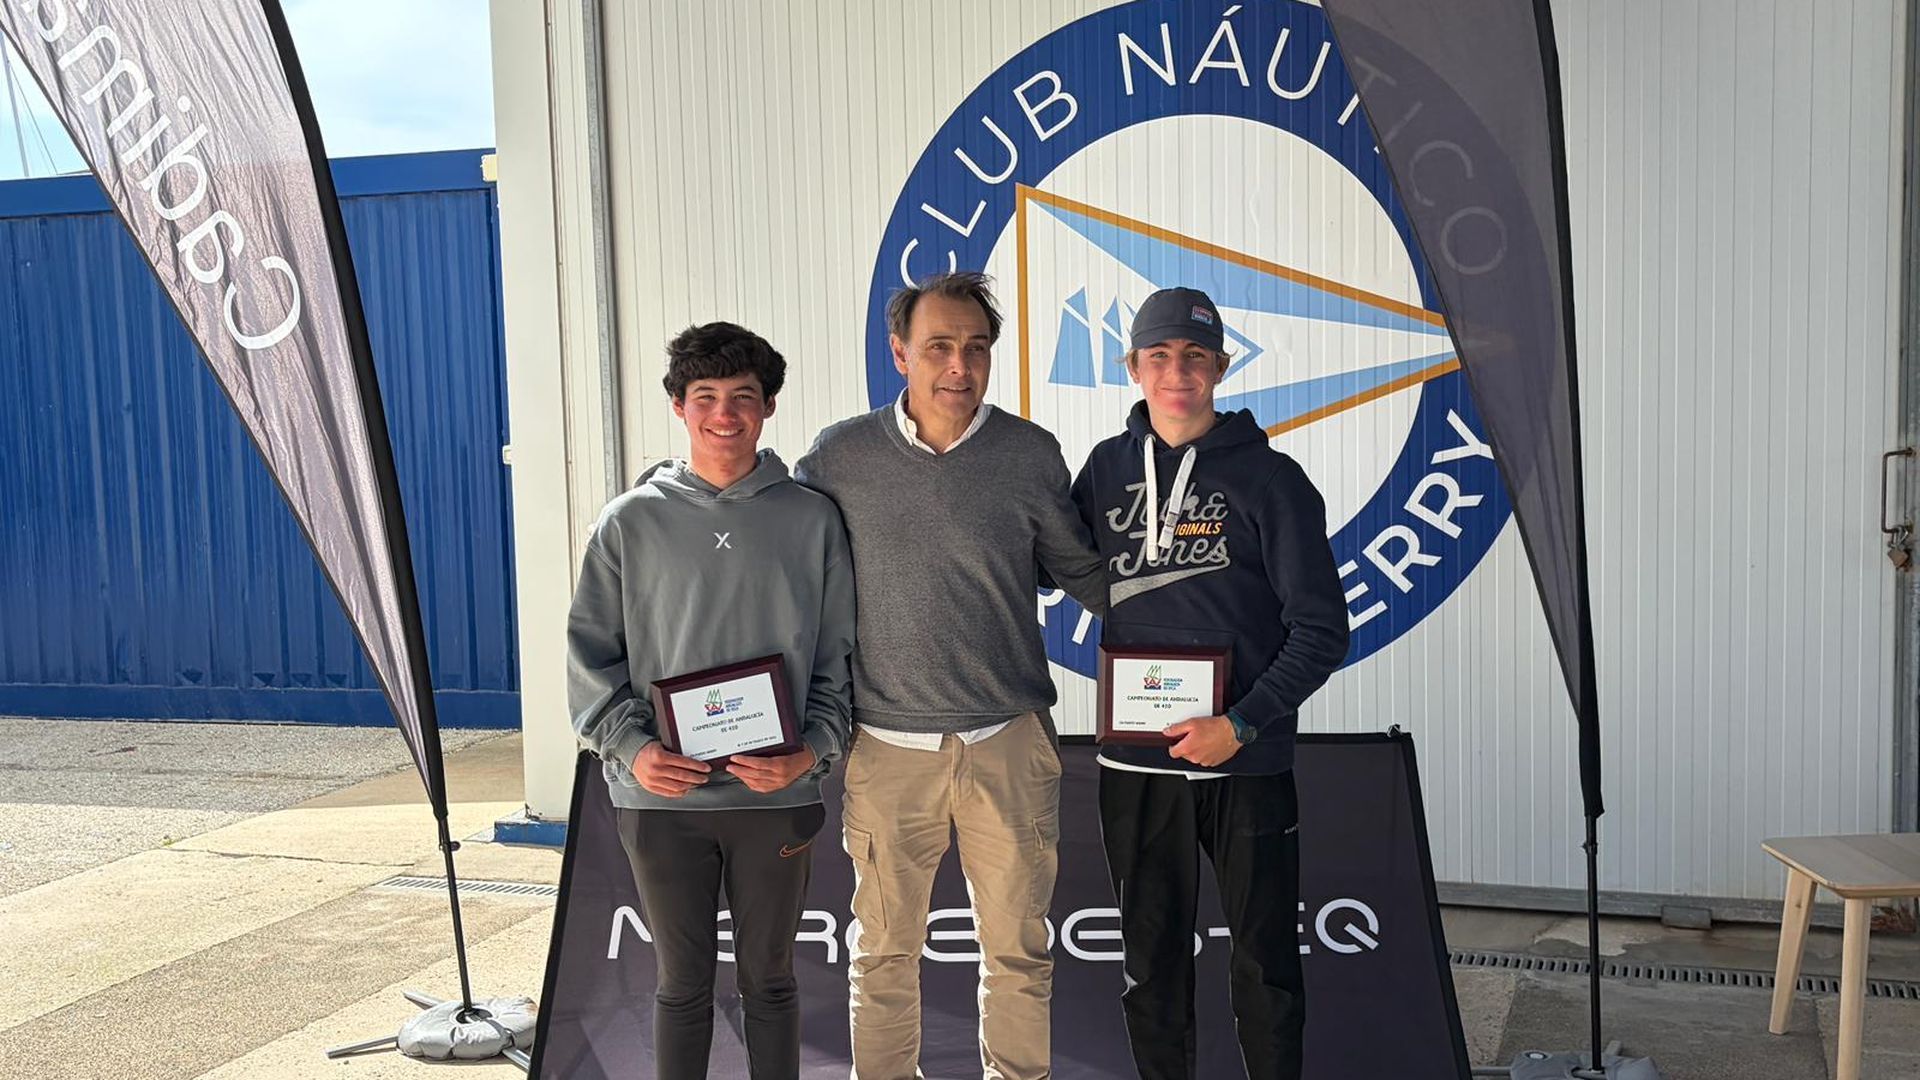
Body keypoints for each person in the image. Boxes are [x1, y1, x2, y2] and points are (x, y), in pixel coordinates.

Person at [795, 270, 1107, 1080]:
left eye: (975, 348)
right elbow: (776, 549)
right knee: (885, 957)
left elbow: (1084, 574)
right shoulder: (839, 457)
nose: (958, 366)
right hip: (888, 749)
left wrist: (1203, 615)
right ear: (900, 353)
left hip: (1009, 743)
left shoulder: (1030, 454)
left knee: (1018, 956)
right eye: (938, 347)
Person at [1069, 287, 1350, 1080]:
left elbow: (1323, 631)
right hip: (1136, 768)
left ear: (1222, 367)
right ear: (1132, 367)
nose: (1177, 373)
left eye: (1195, 356)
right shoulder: (1105, 469)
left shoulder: (1272, 481)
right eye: (1158, 356)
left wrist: (1244, 722)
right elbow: (1042, 563)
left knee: (1265, 964)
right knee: (1149, 967)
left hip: (1245, 763)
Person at [567, 322, 855, 1080]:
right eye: (706, 397)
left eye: (743, 398)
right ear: (678, 406)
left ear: (768, 408)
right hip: (662, 799)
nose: (724, 415)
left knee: (772, 981)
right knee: (680, 986)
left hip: (776, 795)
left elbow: (838, 659)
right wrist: (633, 751)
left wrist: (810, 751)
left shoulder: (812, 518)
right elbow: (590, 658)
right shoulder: (628, 522)